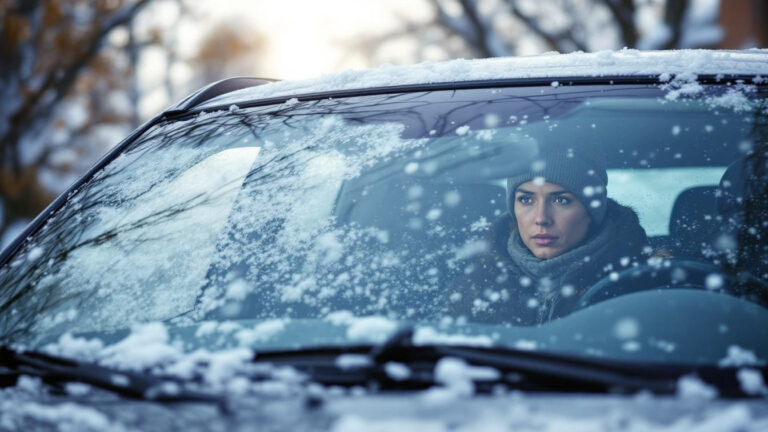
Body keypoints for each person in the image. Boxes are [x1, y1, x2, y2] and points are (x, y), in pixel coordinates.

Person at [451, 141, 650, 325]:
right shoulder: (476, 285)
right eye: (526, 200)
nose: (541, 218)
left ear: (591, 212)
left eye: (561, 200)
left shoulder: (642, 283)